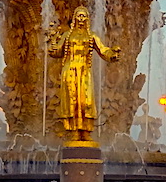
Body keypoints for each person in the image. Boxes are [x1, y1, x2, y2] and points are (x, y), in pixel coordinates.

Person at [47, 7, 120, 142]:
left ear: (87, 19)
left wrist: (112, 55)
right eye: (79, 16)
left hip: (84, 71)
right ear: (75, 18)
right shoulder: (67, 35)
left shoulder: (91, 35)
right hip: (70, 70)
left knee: (85, 100)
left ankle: (85, 130)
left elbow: (103, 50)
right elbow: (57, 51)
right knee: (71, 100)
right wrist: (51, 46)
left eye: (83, 16)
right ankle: (74, 131)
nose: (81, 19)